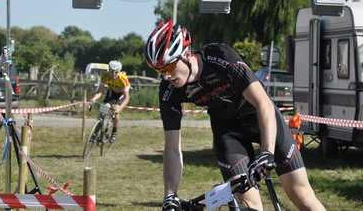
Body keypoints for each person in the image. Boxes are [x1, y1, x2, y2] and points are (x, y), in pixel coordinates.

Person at [144, 21, 325, 211]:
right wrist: (170, 195)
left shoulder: (219, 56)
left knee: (302, 196)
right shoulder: (169, 91)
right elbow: (172, 148)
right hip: (228, 131)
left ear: (187, 55)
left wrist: (267, 152)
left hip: (262, 119)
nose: (165, 76)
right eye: (159, 71)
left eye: (168, 68)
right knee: (248, 206)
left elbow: (263, 102)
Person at [89, 60, 131, 143]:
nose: (114, 74)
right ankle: (95, 133)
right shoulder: (105, 76)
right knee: (103, 110)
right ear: (109, 70)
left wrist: (119, 109)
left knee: (115, 111)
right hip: (112, 92)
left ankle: (114, 132)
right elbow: (100, 91)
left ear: (119, 71)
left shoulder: (123, 79)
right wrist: (94, 98)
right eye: (112, 71)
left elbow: (127, 98)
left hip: (121, 95)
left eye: (116, 72)